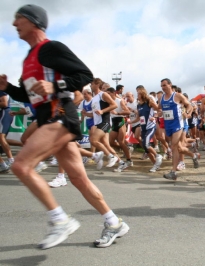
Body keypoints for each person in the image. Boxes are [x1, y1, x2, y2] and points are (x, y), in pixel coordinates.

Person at [0, 4, 129, 249]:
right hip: (48, 118)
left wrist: (55, 87)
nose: (14, 24)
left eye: (18, 19)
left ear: (34, 21)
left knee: (21, 165)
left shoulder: (51, 48)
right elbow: (31, 96)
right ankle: (114, 222)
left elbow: (84, 75)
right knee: (78, 178)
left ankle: (60, 221)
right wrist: (9, 89)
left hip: (61, 115)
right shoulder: (29, 58)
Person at [159, 78, 199, 180]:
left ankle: (173, 172)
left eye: (164, 85)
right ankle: (193, 155)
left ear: (170, 85)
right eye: (162, 86)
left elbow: (189, 105)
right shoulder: (162, 98)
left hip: (178, 124)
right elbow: (160, 108)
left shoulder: (177, 96)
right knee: (179, 148)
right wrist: (158, 113)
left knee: (174, 146)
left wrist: (189, 113)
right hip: (168, 125)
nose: (163, 87)